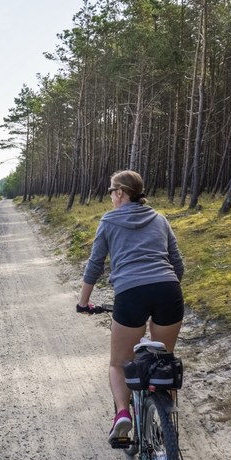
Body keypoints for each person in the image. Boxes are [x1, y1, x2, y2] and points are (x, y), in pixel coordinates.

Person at [77, 170, 185, 442]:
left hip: (131, 293)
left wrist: (83, 301)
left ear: (122, 193)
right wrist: (166, 288)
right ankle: (167, 426)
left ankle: (123, 414)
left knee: (119, 363)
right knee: (165, 360)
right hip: (168, 290)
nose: (111, 196)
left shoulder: (108, 221)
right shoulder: (160, 219)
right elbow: (177, 263)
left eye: (112, 191)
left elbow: (95, 265)